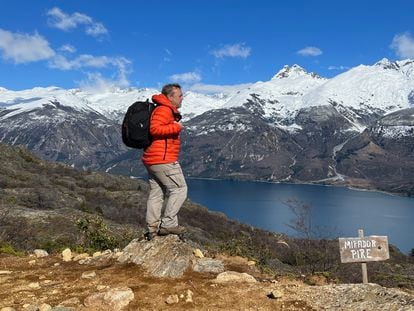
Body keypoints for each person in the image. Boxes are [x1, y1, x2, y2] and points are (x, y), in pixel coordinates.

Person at [142, 83, 187, 240]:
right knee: (180, 189)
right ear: (170, 96)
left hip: (153, 159)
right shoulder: (163, 109)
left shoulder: (163, 108)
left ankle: (152, 228)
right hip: (163, 159)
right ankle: (168, 224)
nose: (182, 98)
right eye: (180, 95)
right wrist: (176, 127)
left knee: (157, 193)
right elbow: (155, 129)